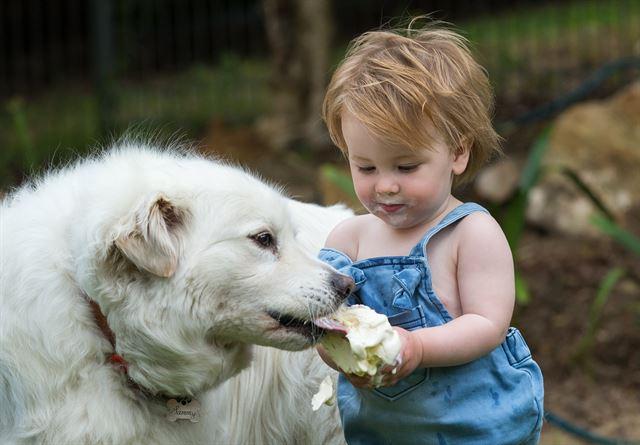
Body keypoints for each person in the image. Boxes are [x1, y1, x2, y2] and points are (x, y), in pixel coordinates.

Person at [317, 21, 544, 445]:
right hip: (381, 429)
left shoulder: (470, 233)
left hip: (476, 423)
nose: (385, 184)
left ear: (457, 152)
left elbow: (487, 323)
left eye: (406, 167)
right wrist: (337, 348)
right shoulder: (347, 240)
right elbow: (325, 324)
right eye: (365, 167)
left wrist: (416, 348)